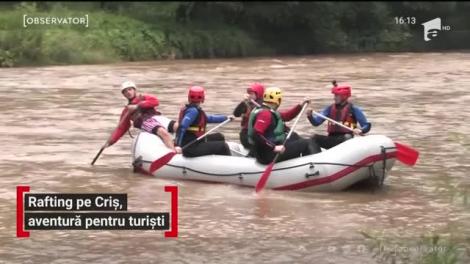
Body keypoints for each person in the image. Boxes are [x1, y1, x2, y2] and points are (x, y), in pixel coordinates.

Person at [247, 87, 319, 165]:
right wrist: (274, 147)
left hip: (264, 152)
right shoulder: (265, 114)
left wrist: (300, 105)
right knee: (308, 142)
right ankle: (317, 165)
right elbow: (256, 134)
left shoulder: (267, 110)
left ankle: (303, 164)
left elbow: (287, 116)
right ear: (278, 100)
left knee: (294, 136)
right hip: (268, 155)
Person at [105, 81, 177, 150]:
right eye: (125, 91)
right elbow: (121, 128)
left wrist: (137, 106)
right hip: (145, 122)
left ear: (134, 90)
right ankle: (173, 154)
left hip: (156, 117)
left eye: (130, 89)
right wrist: (110, 142)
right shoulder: (127, 110)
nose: (128, 92)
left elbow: (155, 102)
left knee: (177, 126)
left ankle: (180, 146)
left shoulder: (143, 98)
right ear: (124, 95)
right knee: (163, 132)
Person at [307, 81, 371, 150]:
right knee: (314, 137)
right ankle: (316, 158)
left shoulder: (353, 109)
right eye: (335, 96)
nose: (334, 98)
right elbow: (316, 123)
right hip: (331, 138)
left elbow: (366, 125)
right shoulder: (330, 108)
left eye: (337, 96)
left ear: (344, 96)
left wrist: (360, 130)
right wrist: (310, 116)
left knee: (347, 137)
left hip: (345, 138)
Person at [174, 86, 234, 157]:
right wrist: (177, 145)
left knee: (219, 137)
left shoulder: (191, 109)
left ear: (189, 97)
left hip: (195, 141)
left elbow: (209, 118)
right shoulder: (193, 111)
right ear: (203, 98)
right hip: (189, 147)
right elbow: (182, 127)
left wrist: (225, 118)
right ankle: (227, 165)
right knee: (223, 146)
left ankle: (214, 160)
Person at [232, 82, 265, 150]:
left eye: (252, 93)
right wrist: (243, 102)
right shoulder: (246, 103)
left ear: (258, 94)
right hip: (246, 135)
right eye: (249, 93)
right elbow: (236, 114)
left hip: (259, 134)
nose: (250, 95)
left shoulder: (264, 105)